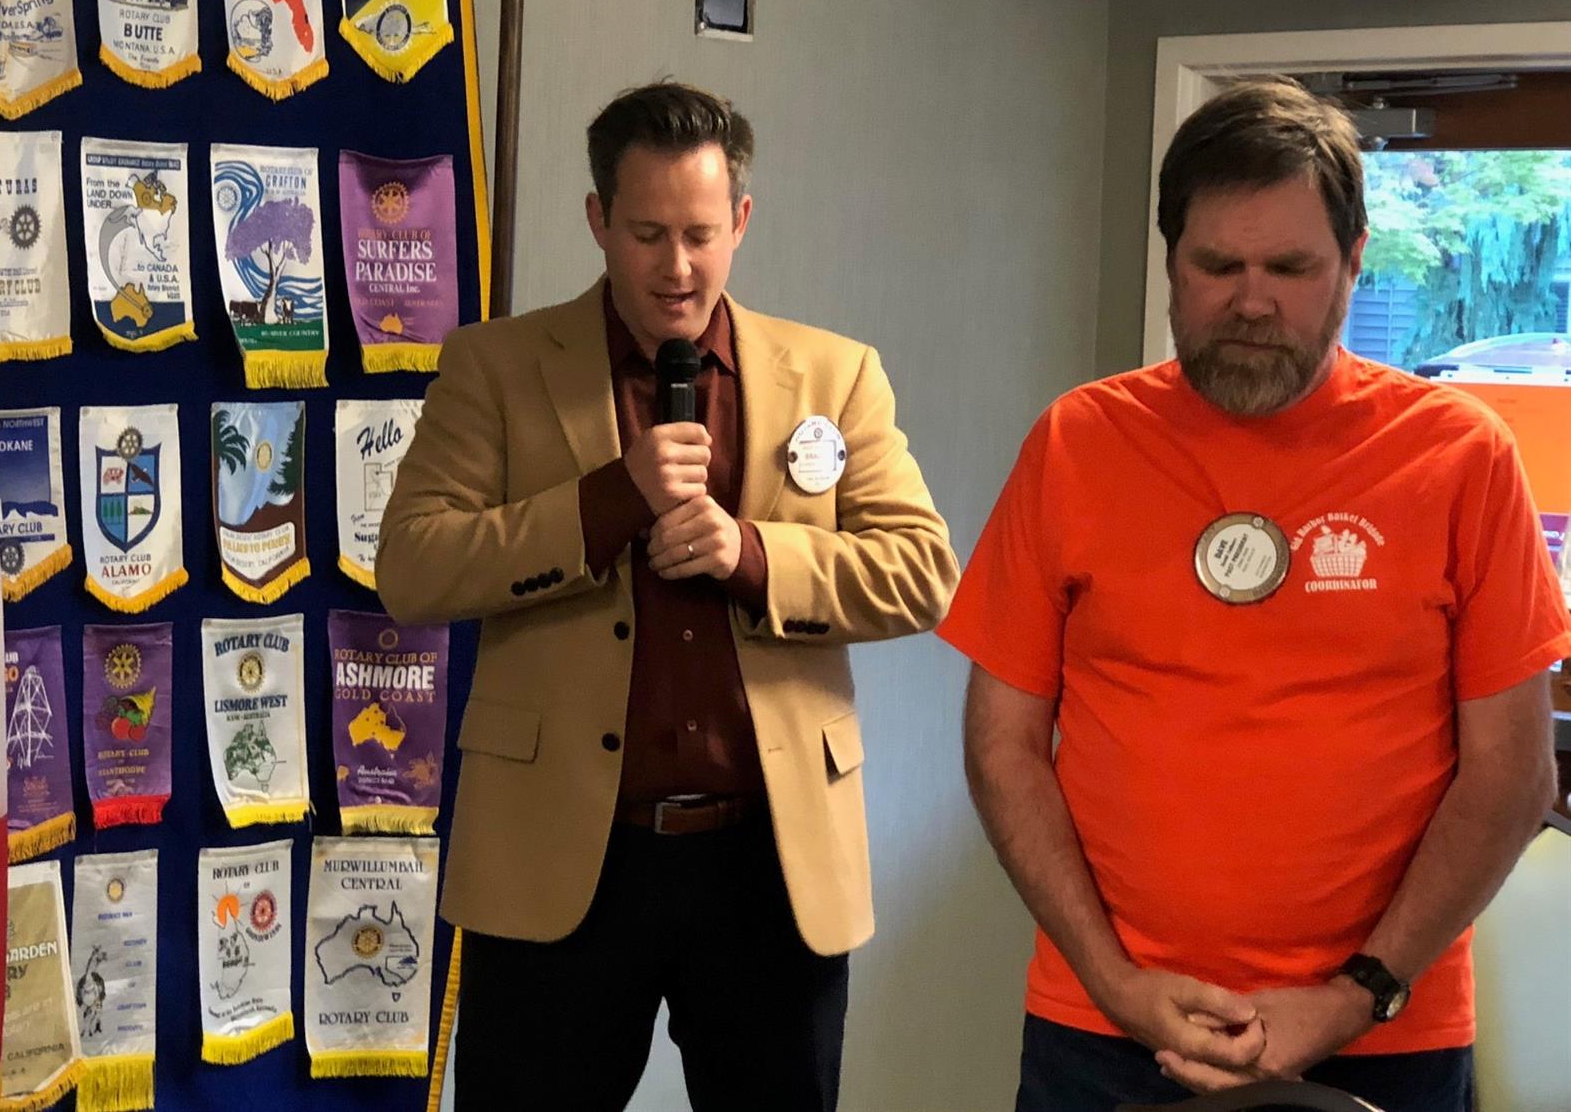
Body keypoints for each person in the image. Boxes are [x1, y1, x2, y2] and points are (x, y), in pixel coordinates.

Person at [941, 78, 1571, 1112]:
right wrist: (1115, 981)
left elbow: (1512, 773)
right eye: (1217, 264)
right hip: (1105, 1031)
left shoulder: (1461, 458)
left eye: (1290, 266)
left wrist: (1353, 995)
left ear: (1354, 261)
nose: (1251, 300)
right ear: (1171, 260)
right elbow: (1002, 742)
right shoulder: (1077, 444)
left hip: (1385, 1031)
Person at [376, 81, 959, 1110]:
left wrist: (754, 555)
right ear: (598, 219)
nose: (677, 267)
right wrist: (608, 500)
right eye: (647, 233)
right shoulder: (495, 366)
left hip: (770, 863)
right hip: (558, 858)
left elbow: (923, 571)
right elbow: (414, 567)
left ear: (742, 219)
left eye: (699, 233)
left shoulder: (835, 373)